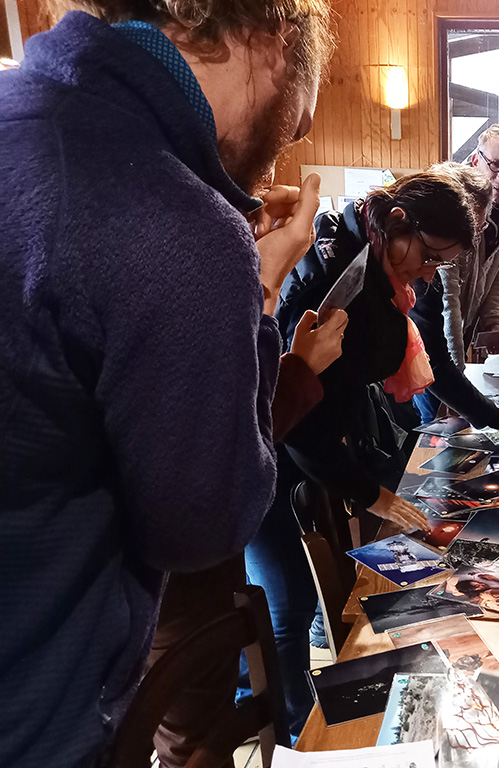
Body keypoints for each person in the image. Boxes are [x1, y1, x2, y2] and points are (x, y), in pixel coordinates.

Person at [0, 0, 332, 764]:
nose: (288, 143)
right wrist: (259, 289)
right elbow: (204, 527)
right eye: (299, 121)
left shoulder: (24, 114)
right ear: (275, 36)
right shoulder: (178, 221)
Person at [250, 170, 499, 738]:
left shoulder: (388, 266)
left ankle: (291, 721)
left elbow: (431, 366)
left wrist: (493, 417)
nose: (428, 274)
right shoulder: (336, 276)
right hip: (264, 451)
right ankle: (288, 736)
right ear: (401, 225)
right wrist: (370, 494)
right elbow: (304, 421)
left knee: (296, 603)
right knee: (286, 607)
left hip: (307, 437)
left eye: (440, 264)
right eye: (429, 257)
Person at [411, 120, 499, 423]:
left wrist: (493, 324)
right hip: (427, 337)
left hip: (456, 339)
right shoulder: (452, 207)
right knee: (436, 425)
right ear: (476, 159)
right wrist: (456, 376)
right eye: (495, 164)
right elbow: (445, 295)